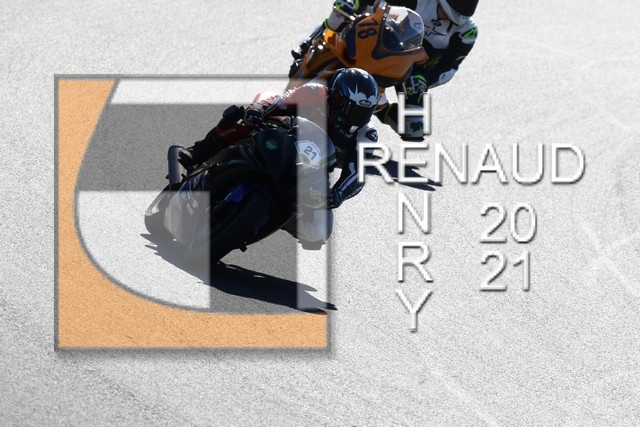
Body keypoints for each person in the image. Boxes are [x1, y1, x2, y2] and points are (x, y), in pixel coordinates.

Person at [178, 68, 380, 248]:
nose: (357, 118)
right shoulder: (315, 93)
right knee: (243, 118)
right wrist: (258, 109)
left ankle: (270, 219)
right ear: (336, 97)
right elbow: (279, 102)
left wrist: (338, 194)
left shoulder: (366, 134)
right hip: (282, 139)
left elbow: (357, 172)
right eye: (352, 109)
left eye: (364, 112)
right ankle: (198, 152)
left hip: (312, 172)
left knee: (319, 232)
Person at [291, 0, 479, 140]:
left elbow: (449, 68)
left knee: (413, 127)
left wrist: (425, 80)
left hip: (415, 72)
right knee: (342, 13)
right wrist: (355, 4)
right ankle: (310, 45)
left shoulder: (467, 31)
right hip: (386, 46)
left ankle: (378, 110)